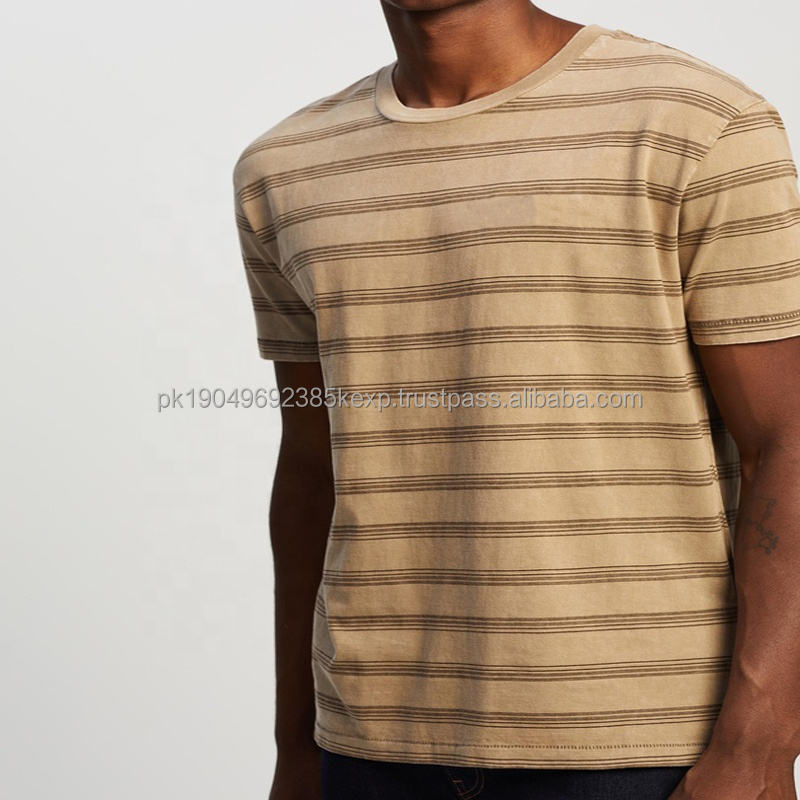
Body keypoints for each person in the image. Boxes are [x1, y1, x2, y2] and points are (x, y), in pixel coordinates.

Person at [232, 2, 800, 798]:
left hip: (642, 745)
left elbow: (786, 440)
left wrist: (760, 746)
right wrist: (295, 746)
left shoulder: (697, 123)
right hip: (370, 744)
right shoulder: (286, 168)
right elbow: (312, 467)